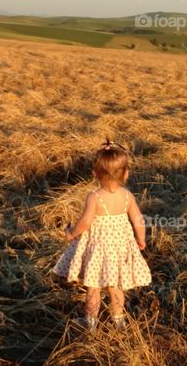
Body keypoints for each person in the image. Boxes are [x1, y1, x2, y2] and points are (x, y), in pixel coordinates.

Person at [53, 139, 151, 330]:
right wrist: (141, 239)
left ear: (95, 173)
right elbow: (139, 220)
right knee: (115, 287)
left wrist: (71, 233)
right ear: (126, 174)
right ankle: (119, 321)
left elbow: (86, 222)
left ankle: (90, 324)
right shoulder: (127, 196)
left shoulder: (94, 197)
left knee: (94, 287)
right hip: (120, 249)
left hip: (98, 250)